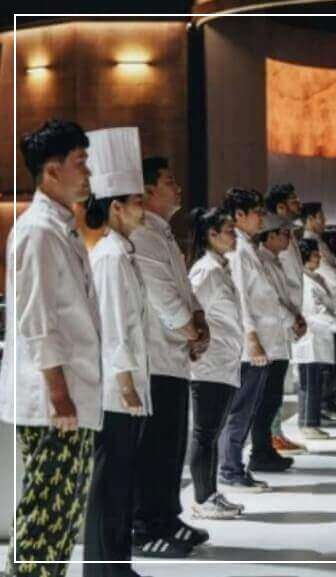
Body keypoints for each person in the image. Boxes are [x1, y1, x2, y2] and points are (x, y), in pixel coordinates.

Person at [1, 120, 102, 574]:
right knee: (45, 516)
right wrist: (59, 394)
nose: (88, 172)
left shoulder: (60, 227)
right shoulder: (37, 231)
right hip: (52, 401)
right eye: (81, 163)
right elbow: (36, 320)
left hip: (68, 396)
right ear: (52, 170)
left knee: (62, 515)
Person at [81, 127, 154, 574]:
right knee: (110, 483)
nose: (144, 209)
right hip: (114, 391)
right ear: (116, 207)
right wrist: (126, 382)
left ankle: (117, 566)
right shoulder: (109, 257)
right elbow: (112, 329)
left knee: (123, 482)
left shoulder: (123, 252)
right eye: (138, 201)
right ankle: (102, 569)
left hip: (129, 387)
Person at [131, 156, 210, 557]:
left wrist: (199, 320)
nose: (177, 187)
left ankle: (166, 517)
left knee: (171, 446)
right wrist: (191, 330)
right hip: (154, 359)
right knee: (155, 449)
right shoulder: (142, 235)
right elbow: (164, 297)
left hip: (174, 356)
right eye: (169, 181)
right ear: (147, 190)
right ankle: (145, 527)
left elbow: (185, 290)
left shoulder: (163, 233)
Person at [220, 187, 290, 491]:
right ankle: (230, 469)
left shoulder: (248, 248)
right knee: (240, 411)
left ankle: (236, 466)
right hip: (252, 345)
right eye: (257, 212)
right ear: (239, 215)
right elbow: (241, 299)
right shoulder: (238, 250)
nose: (262, 217)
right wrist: (251, 337)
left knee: (249, 410)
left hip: (264, 342)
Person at [187, 208, 246, 520]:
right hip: (209, 363)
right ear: (211, 235)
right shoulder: (206, 271)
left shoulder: (221, 269)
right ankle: (202, 497)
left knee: (212, 432)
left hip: (223, 362)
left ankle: (210, 493)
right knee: (205, 432)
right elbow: (190, 310)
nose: (234, 235)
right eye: (228, 230)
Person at [255, 212, 308, 464]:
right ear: (270, 236)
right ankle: (260, 451)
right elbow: (269, 301)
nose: (288, 239)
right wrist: (292, 320)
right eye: (284, 234)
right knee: (265, 401)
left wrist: (295, 319)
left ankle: (266, 450)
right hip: (267, 339)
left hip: (279, 337)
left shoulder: (274, 261)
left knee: (273, 398)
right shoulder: (261, 262)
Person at [302, 202, 336, 424]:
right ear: (311, 219)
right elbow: (334, 277)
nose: (324, 221)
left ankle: (325, 404)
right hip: (321, 321)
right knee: (319, 373)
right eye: (321, 217)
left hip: (332, 312)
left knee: (333, 365)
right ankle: (316, 413)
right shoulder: (311, 243)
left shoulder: (320, 244)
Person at [293, 238, 336, 440]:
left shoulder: (315, 277)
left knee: (314, 382)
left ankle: (310, 421)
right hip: (310, 339)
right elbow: (314, 310)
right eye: (315, 255)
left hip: (319, 336)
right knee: (309, 383)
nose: (319, 258)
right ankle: (308, 424)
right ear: (305, 257)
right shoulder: (304, 280)